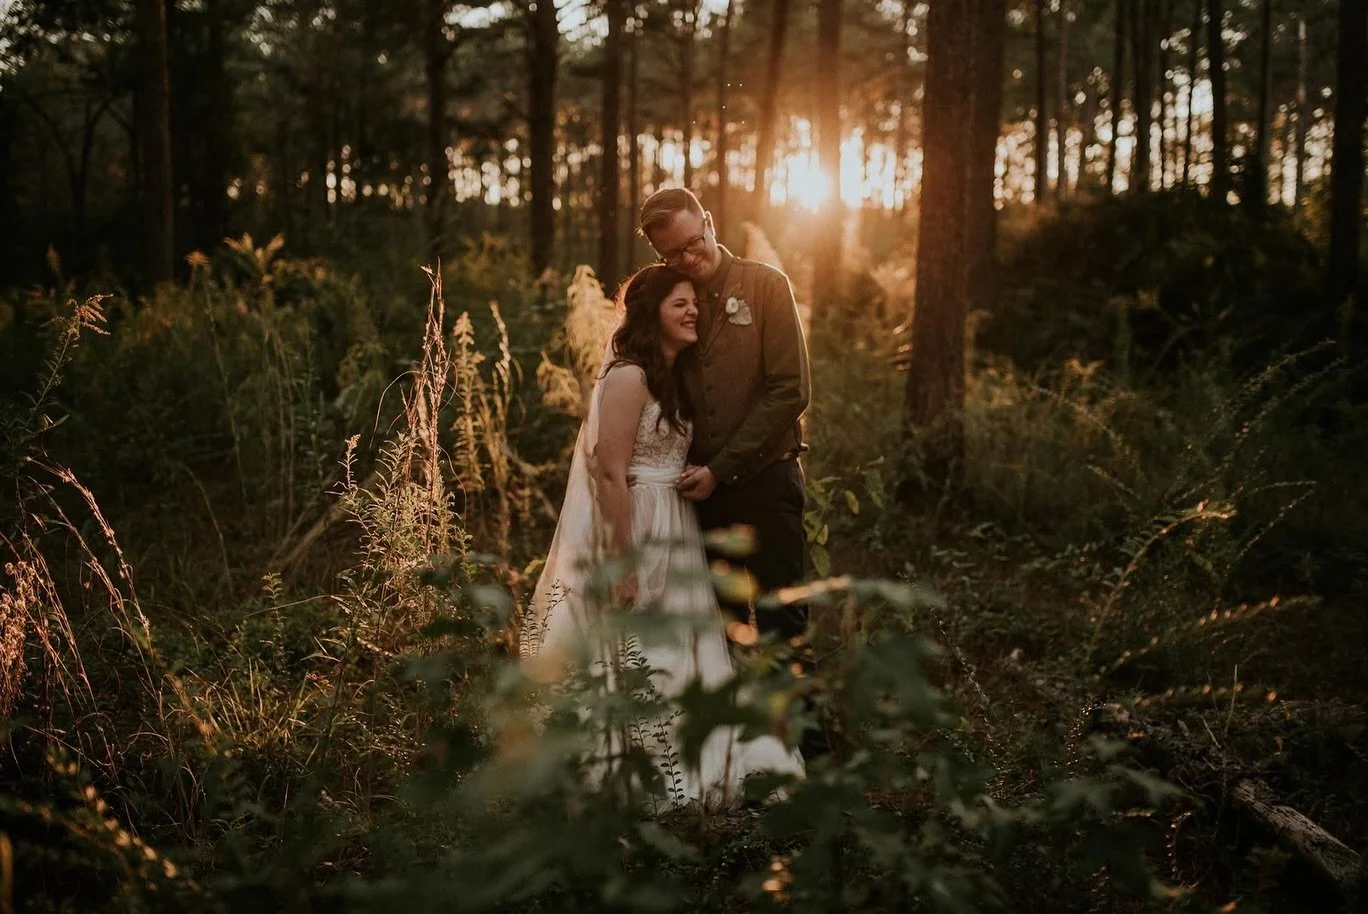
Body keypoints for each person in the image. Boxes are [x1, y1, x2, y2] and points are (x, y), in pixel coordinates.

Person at [520, 263, 803, 812]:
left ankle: (693, 747)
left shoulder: (673, 374)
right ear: (653, 314)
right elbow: (609, 472)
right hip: (639, 524)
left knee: (683, 641)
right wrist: (623, 563)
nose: (694, 310)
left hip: (677, 523)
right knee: (643, 642)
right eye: (680, 304)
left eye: (694, 302)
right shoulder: (628, 377)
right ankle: (643, 759)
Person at [635, 187, 812, 648]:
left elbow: (790, 390)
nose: (688, 259)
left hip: (769, 484)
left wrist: (721, 468)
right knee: (717, 634)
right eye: (672, 255)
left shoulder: (767, 285)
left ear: (709, 222)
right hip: (703, 500)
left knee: (783, 628)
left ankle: (791, 701)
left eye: (693, 243)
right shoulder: (673, 297)